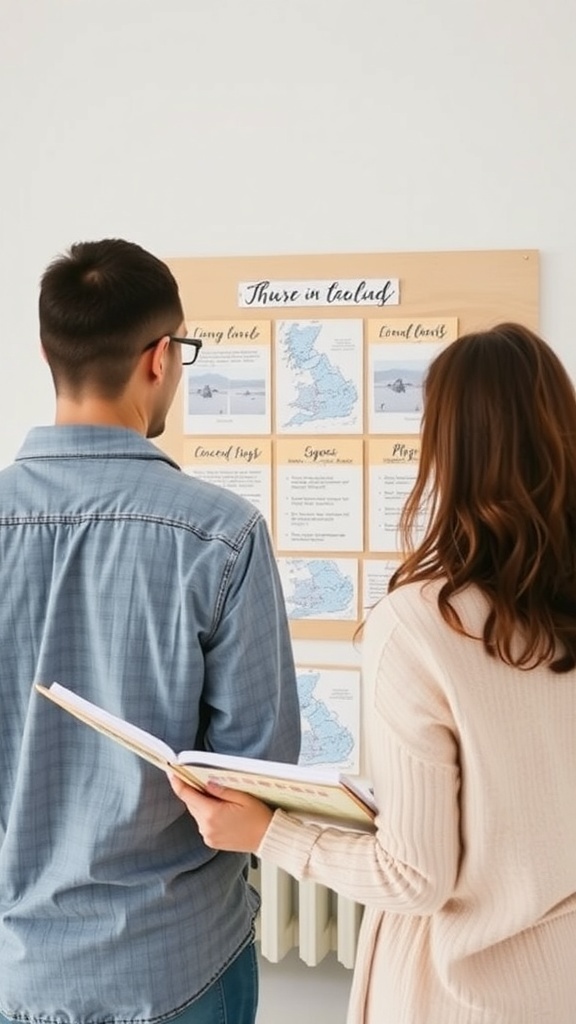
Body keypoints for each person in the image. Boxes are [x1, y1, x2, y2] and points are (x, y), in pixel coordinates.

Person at [170, 323, 576, 1024]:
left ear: (446, 449)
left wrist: (268, 834)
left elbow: (415, 877)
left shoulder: (424, 623)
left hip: (457, 997)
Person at [0, 238, 301, 1024]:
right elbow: (258, 773)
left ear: (47, 353)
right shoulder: (222, 535)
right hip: (179, 962)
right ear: (160, 358)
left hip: (17, 969)